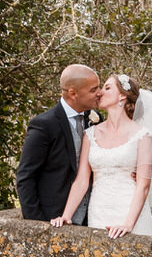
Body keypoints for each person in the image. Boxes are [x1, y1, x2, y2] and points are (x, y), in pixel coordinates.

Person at [50, 73, 152, 238]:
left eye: (107, 87)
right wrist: (66, 215)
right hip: (98, 211)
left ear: (122, 96)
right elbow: (81, 180)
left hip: (130, 213)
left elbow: (143, 185)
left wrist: (128, 224)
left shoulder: (143, 135)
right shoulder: (90, 134)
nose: (100, 92)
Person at [16, 64, 103, 223]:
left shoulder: (96, 119)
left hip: (92, 217)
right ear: (73, 93)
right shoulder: (43, 125)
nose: (100, 93)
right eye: (93, 90)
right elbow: (25, 177)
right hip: (54, 218)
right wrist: (37, 223)